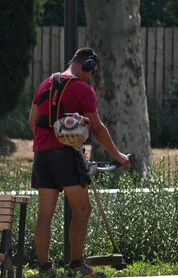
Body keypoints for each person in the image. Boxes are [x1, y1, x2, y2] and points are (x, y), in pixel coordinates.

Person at [28, 48, 130, 278]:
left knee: (45, 214)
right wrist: (118, 156)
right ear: (87, 65)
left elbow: (32, 122)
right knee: (83, 210)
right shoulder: (83, 89)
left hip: (42, 155)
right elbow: (97, 128)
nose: (90, 77)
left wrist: (48, 143)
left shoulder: (45, 84)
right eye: (91, 71)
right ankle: (76, 265)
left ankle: (44, 268)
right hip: (66, 155)